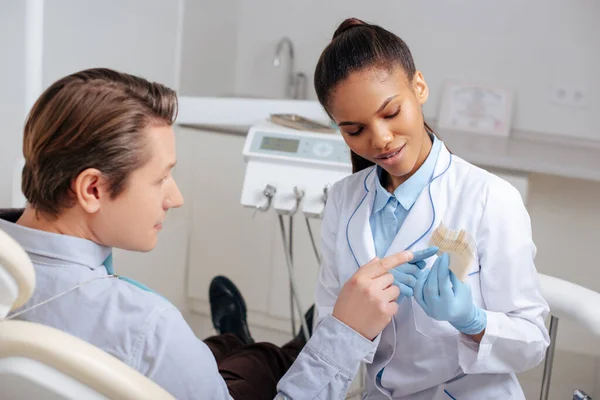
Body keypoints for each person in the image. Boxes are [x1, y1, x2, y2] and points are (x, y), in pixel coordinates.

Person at [1, 67, 429, 400]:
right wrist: (347, 331)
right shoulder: (148, 327)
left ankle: (234, 336)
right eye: (161, 178)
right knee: (267, 360)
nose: (175, 197)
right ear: (92, 189)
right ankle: (300, 341)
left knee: (221, 346)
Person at [279, 18, 550, 399]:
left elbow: (533, 341)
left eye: (390, 113)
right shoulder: (343, 200)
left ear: (419, 87)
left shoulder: (489, 197)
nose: (381, 139)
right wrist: (360, 320)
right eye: (354, 130)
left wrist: (470, 321)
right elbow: (332, 324)